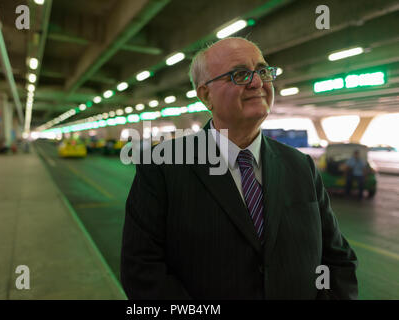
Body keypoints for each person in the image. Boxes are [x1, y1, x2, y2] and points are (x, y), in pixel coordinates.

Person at [120, 37, 358, 299]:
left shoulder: (300, 165)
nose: (257, 83)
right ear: (205, 94)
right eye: (240, 74)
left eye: (263, 71)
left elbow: (338, 258)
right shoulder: (163, 165)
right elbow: (141, 271)